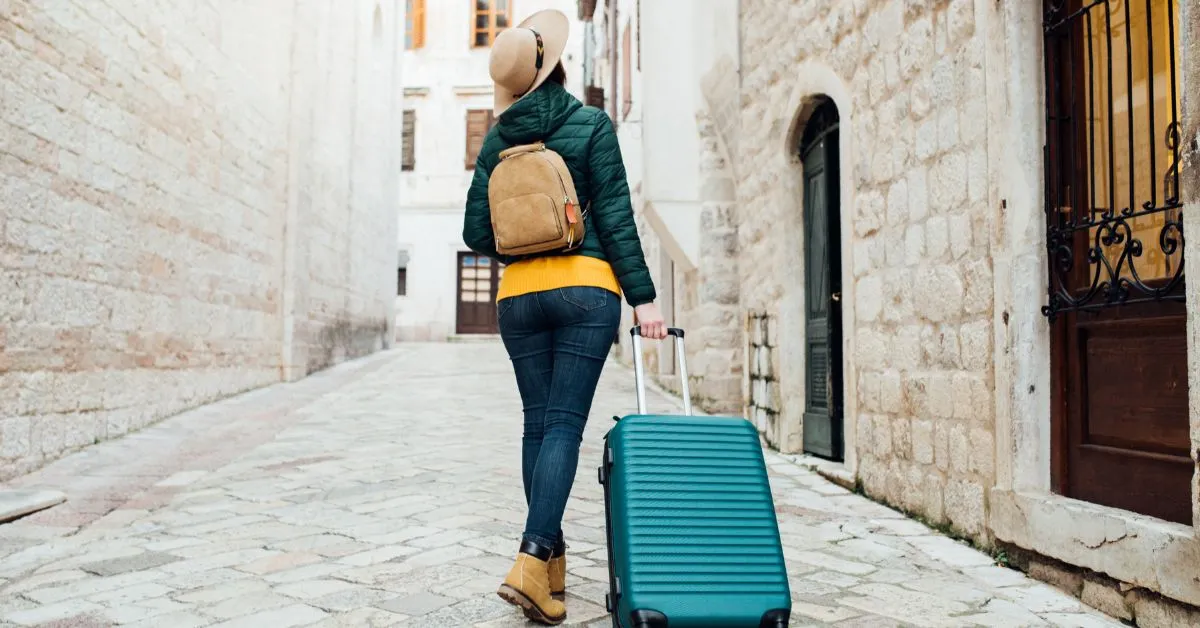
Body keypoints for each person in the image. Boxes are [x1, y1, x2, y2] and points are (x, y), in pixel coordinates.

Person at [462, 9, 667, 626]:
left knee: (537, 425)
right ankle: (531, 557)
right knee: (563, 428)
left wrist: (524, 237)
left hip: (518, 298)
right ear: (556, 68)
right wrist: (645, 298)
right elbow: (616, 219)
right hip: (585, 290)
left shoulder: (497, 142)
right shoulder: (591, 124)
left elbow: (476, 233)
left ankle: (549, 565)